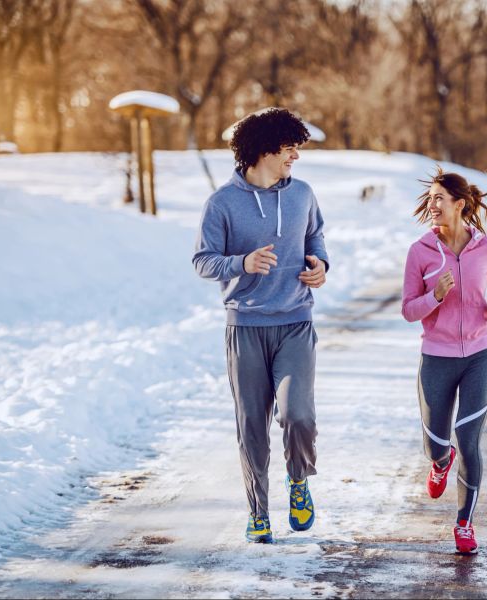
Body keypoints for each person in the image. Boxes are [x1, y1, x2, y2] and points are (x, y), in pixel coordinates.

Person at [192, 108, 329, 543]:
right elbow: (202, 260)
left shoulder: (303, 194)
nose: (295, 157)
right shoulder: (222, 203)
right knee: (252, 424)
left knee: (299, 416)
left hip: (295, 323)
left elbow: (316, 238)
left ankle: (298, 481)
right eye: (289, 148)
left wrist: (320, 264)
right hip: (246, 327)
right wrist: (242, 263)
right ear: (263, 149)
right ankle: (257, 511)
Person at [401, 167, 487, 554]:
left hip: (480, 356)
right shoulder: (420, 251)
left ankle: (464, 523)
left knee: (469, 439)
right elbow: (408, 309)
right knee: (437, 443)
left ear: (459, 205)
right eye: (430, 199)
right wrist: (435, 297)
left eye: (439, 199)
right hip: (437, 358)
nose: (432, 205)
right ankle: (439, 460)